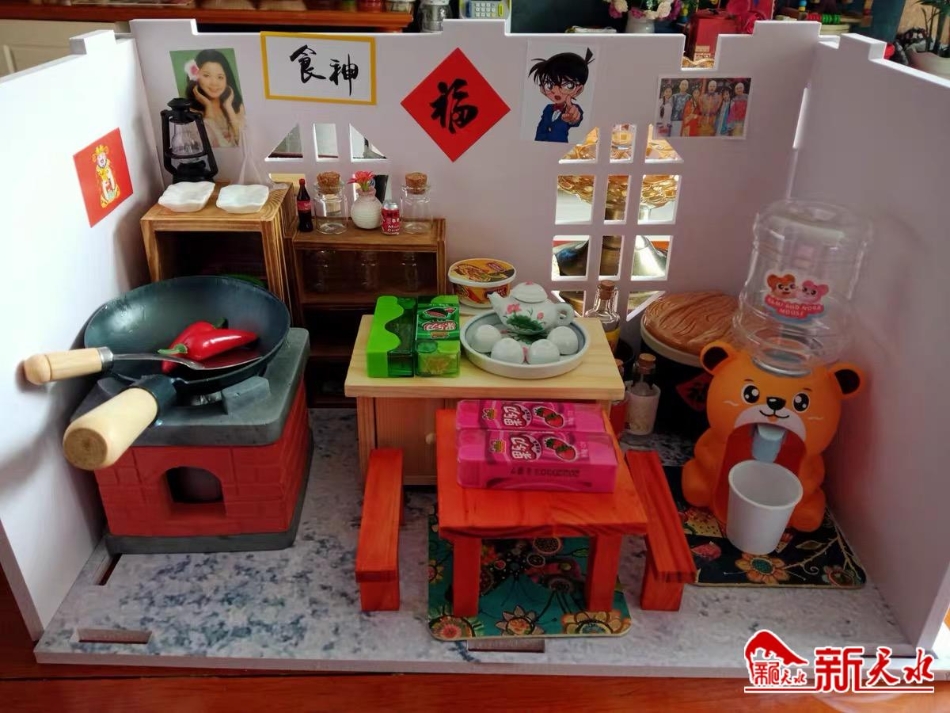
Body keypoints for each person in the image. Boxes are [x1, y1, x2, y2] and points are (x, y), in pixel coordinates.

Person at [529, 48, 594, 143]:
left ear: (578, 90)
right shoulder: (548, 108)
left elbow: (575, 118)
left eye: (567, 85)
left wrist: (572, 119)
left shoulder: (573, 109)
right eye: (549, 84)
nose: (556, 91)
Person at [185, 49, 246, 149]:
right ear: (196, 78)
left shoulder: (237, 107)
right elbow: (206, 147)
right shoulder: (190, 113)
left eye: (220, 77)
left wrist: (229, 108)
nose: (214, 83)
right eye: (206, 75)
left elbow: (245, 144)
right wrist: (208, 108)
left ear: (227, 79)